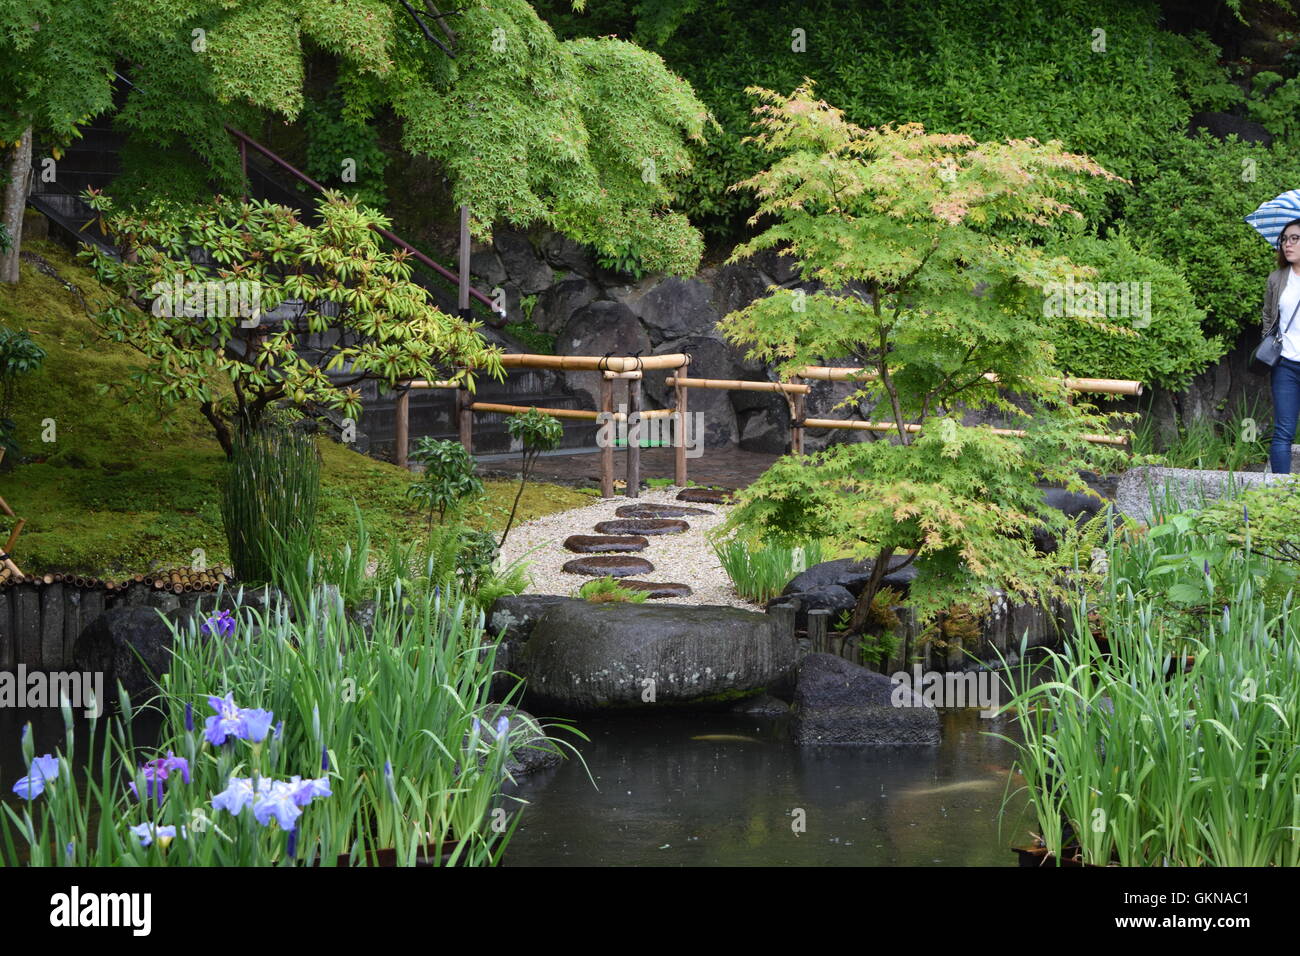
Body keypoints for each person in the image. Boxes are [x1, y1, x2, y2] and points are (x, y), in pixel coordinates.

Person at [1264, 218, 1300, 474]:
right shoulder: (1277, 279)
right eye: (1285, 239)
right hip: (1285, 364)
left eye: (1295, 239)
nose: (1288, 244)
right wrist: (1269, 342)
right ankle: (1279, 492)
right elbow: (1268, 316)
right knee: (1283, 432)